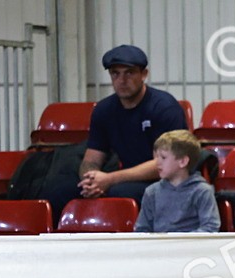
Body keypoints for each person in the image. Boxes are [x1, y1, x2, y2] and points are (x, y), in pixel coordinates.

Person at [78, 44, 188, 206]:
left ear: (144, 74)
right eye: (115, 74)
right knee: (63, 191)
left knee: (118, 192)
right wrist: (90, 180)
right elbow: (92, 159)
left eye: (129, 73)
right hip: (127, 178)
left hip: (166, 180)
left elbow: (167, 164)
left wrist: (109, 179)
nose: (122, 81)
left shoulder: (164, 107)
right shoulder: (104, 110)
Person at [134, 130, 219, 233]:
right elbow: (142, 229)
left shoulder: (202, 191)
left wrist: (181, 244)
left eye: (163, 157)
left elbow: (210, 227)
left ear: (182, 162)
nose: (157, 162)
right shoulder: (151, 192)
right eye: (156, 157)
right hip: (159, 247)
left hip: (192, 247)